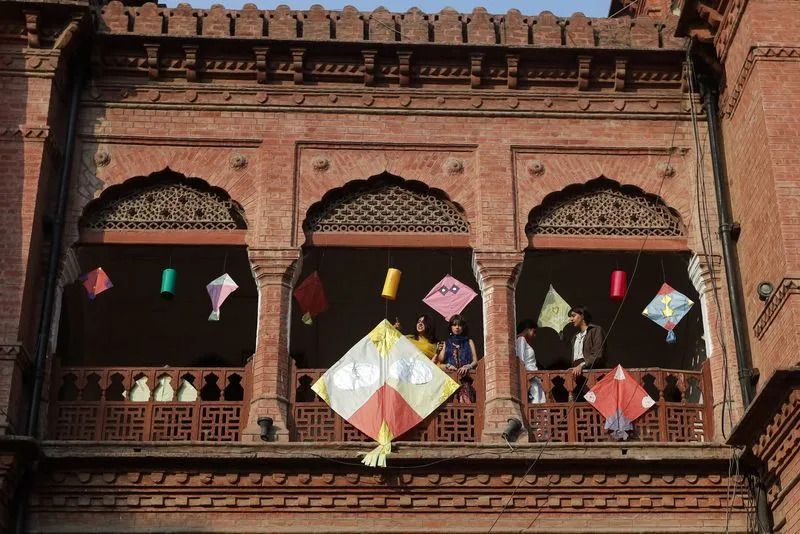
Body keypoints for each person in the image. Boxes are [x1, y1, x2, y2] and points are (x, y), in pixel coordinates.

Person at [567, 305, 607, 379]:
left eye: (573, 316)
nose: (571, 319)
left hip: (591, 373)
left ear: (582, 315)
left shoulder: (596, 330)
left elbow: (598, 355)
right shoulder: (575, 336)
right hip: (577, 373)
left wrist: (582, 365)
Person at [516, 319, 546, 404]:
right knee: (537, 404)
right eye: (534, 331)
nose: (535, 335)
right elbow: (520, 360)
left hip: (534, 378)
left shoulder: (522, 341)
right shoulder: (521, 340)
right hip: (530, 378)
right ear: (527, 329)